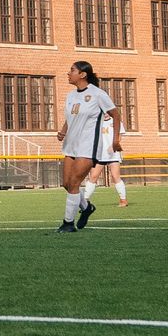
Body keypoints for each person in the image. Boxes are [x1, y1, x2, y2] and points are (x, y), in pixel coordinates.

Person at [55, 59, 118, 230]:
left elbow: (115, 114)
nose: (68, 73)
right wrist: (63, 131)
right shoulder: (71, 95)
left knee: (74, 183)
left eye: (72, 70)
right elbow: (71, 118)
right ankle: (87, 207)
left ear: (83, 74)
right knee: (67, 184)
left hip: (88, 146)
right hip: (71, 144)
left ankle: (68, 223)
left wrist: (115, 139)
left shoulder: (98, 94)